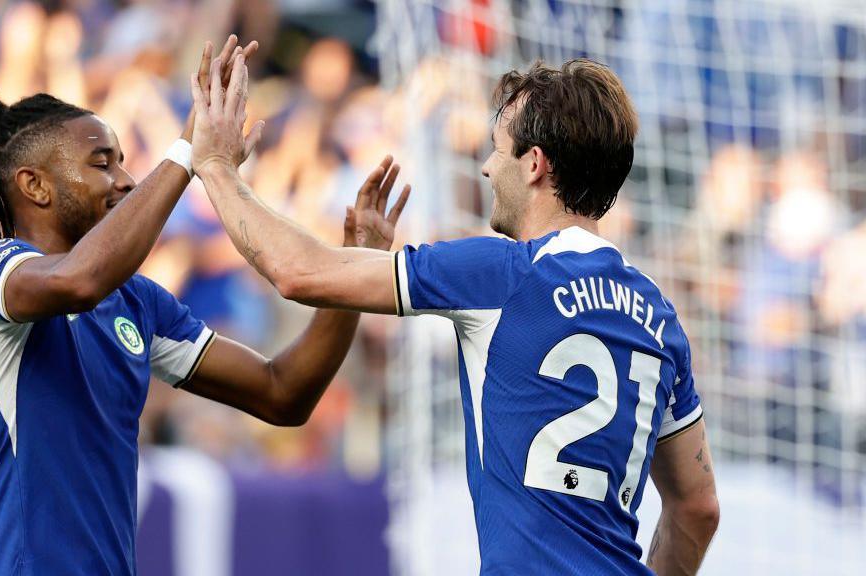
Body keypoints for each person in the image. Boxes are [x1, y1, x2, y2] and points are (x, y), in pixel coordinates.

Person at [190, 58, 720, 574]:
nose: (488, 168)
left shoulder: (501, 272)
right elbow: (698, 509)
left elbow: (296, 272)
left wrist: (213, 166)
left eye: (497, 151)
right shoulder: (659, 316)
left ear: (534, 164)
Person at [0, 36, 408, 576]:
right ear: (35, 186)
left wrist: (350, 278)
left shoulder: (136, 303)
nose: (125, 179)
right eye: (102, 164)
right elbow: (79, 279)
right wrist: (189, 153)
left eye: (122, 162)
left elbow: (283, 394)